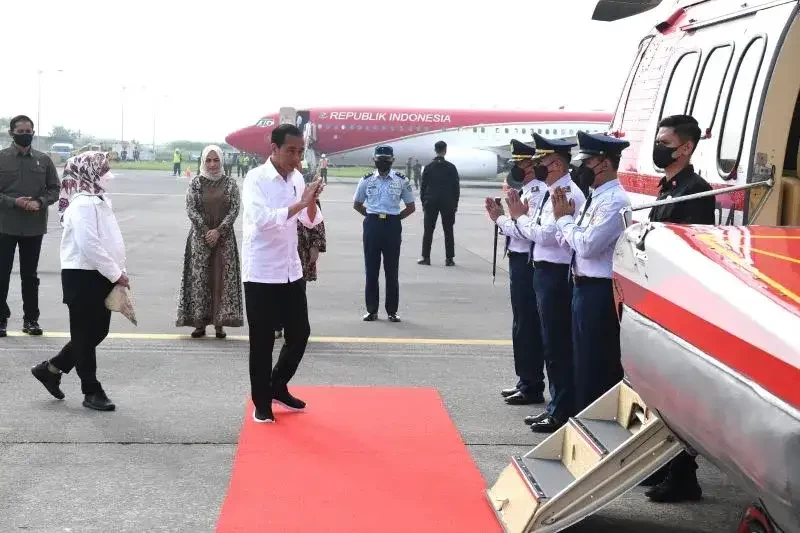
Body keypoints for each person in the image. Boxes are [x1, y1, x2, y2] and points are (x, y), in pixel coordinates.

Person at [641, 115, 712, 503]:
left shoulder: (695, 191)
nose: (660, 147)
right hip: (658, 300)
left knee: (680, 394)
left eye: (666, 142)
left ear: (685, 147)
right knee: (661, 391)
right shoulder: (668, 187)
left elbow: (692, 255)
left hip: (679, 304)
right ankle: (668, 465)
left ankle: (685, 475)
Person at [30, 151, 126, 412]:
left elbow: (109, 240)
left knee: (96, 332)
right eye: (103, 169)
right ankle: (91, 391)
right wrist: (117, 273)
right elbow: (90, 245)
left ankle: (51, 369)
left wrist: (118, 270)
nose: (107, 174)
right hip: (83, 275)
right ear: (88, 171)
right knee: (85, 334)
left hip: (100, 274)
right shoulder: (82, 204)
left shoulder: (98, 200)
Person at [241, 124, 324, 424]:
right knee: (262, 341)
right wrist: (299, 203)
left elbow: (310, 221)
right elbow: (262, 220)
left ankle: (277, 385)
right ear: (273, 149)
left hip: (291, 270)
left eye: (300, 151)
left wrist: (310, 199)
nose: (296, 157)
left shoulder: (298, 178)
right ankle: (261, 401)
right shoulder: (256, 179)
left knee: (299, 333)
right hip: (262, 271)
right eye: (291, 151)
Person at [505, 134, 586, 433]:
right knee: (551, 344)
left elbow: (546, 235)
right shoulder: (555, 191)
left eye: (540, 162)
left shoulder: (566, 194)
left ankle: (561, 409)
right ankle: (557, 406)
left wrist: (517, 219)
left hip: (556, 273)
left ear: (555, 163)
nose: (536, 167)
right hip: (544, 270)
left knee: (557, 346)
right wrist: (522, 221)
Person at [552, 130, 631, 419]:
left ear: (605, 164)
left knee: (595, 366)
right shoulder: (594, 197)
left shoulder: (614, 202)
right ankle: (583, 422)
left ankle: (596, 426)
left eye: (587, 161)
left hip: (599, 291)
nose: (580, 168)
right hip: (581, 286)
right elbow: (571, 241)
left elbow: (586, 245)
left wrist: (563, 221)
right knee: (580, 362)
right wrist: (567, 225)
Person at [484, 139, 547, 407]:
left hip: (527, 261)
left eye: (520, 163)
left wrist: (501, 218)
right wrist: (502, 216)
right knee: (521, 324)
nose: (515, 167)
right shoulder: (524, 191)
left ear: (530, 166)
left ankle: (532, 384)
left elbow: (524, 231)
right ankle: (525, 380)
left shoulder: (537, 193)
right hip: (519, 261)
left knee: (528, 325)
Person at [0, 115, 60, 337]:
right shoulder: (2, 158)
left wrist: (40, 202)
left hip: (33, 228)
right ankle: (1, 319)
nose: (25, 135)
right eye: (21, 131)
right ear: (12, 133)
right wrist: (13, 202)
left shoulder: (43, 160)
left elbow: (54, 189)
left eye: (29, 131)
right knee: (1, 274)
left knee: (30, 275)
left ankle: (31, 319)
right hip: (5, 225)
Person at [176, 145, 244, 339]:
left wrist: (219, 231)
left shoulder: (230, 183)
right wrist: (207, 231)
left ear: (221, 161)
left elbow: (234, 209)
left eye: (216, 160)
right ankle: (199, 323)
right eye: (209, 160)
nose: (212, 164)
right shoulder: (196, 183)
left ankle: (220, 323)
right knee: (200, 280)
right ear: (203, 162)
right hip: (200, 238)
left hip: (224, 240)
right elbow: (191, 209)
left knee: (221, 279)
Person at [353, 146, 416, 322]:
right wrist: (372, 217)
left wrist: (394, 220)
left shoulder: (401, 180)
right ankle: (371, 310)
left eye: (387, 159)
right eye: (380, 159)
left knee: (391, 270)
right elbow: (357, 204)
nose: (383, 162)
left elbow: (411, 207)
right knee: (371, 270)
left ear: (392, 161)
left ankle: (392, 311)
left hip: (392, 225)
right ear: (374, 160)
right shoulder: (366, 180)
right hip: (372, 224)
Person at [418, 140, 460, 267]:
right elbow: (456, 188)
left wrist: (424, 202)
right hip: (448, 203)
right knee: (448, 231)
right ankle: (449, 259)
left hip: (431, 202)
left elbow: (423, 187)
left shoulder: (428, 167)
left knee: (428, 231)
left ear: (435, 150)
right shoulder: (451, 167)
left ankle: (426, 257)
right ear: (445, 151)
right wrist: (455, 204)